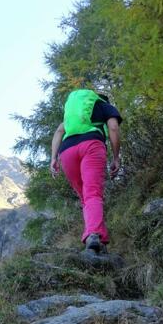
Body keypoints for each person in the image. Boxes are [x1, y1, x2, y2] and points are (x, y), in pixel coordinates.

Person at [49, 89, 122, 253]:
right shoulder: (104, 106)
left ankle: (98, 241)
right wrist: (116, 157)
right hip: (91, 145)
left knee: (85, 197)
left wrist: (53, 158)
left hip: (66, 151)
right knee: (93, 193)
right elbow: (113, 127)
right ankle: (94, 234)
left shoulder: (72, 116)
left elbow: (59, 131)